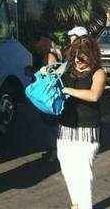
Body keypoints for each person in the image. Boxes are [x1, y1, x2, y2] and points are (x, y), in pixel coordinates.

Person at [58, 35, 106, 209]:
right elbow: (52, 72)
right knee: (67, 169)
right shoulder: (69, 68)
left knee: (83, 173)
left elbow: (94, 95)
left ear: (91, 56)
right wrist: (45, 72)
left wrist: (68, 90)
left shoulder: (99, 72)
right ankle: (76, 204)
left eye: (82, 59)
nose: (78, 62)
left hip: (87, 129)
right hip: (65, 126)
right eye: (76, 57)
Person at [33, 33, 63, 162]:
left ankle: (55, 152)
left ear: (45, 42)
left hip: (49, 94)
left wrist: (38, 73)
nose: (35, 46)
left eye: (37, 42)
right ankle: (53, 150)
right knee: (52, 125)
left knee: (51, 125)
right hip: (52, 93)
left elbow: (51, 74)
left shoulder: (49, 56)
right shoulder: (55, 54)